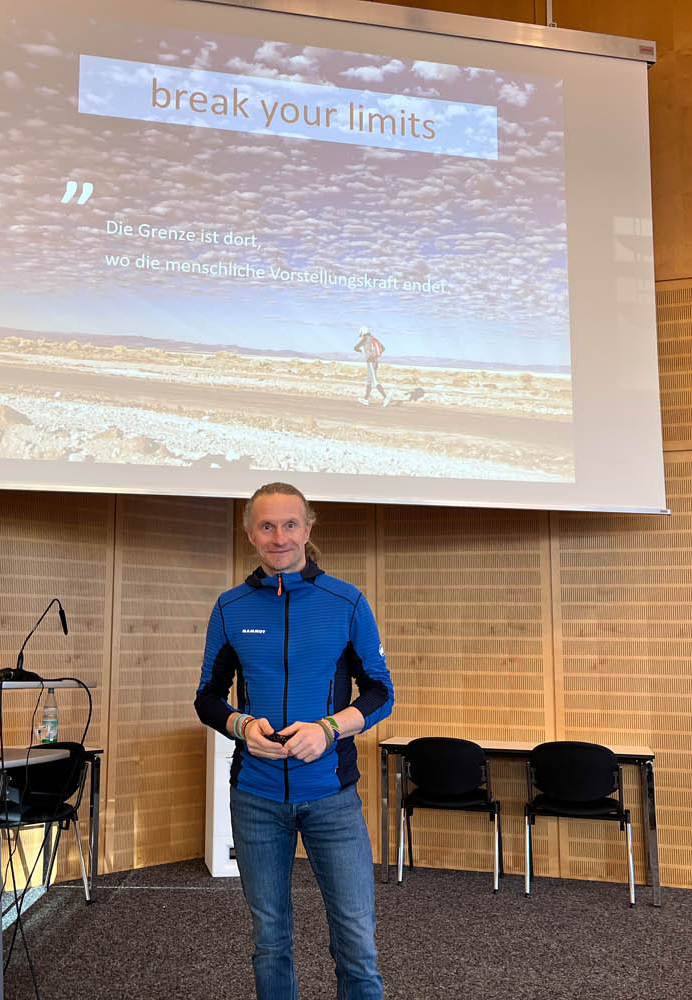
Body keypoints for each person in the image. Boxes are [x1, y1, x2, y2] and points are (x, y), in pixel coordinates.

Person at [195, 482, 394, 1000]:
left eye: (289, 524)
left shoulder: (346, 601)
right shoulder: (231, 607)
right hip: (256, 797)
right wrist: (242, 726)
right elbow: (208, 698)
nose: (278, 536)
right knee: (270, 940)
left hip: (332, 797)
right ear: (249, 534)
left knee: (356, 941)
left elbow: (380, 692)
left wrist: (328, 729)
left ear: (307, 529)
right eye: (266, 526)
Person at [352, 326, 390, 406]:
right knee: (368, 382)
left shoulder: (365, 339)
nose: (361, 336)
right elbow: (383, 348)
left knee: (374, 381)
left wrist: (360, 350)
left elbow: (355, 347)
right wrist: (375, 355)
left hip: (371, 362)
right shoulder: (373, 339)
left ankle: (386, 397)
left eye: (361, 334)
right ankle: (365, 399)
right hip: (373, 361)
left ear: (363, 333)